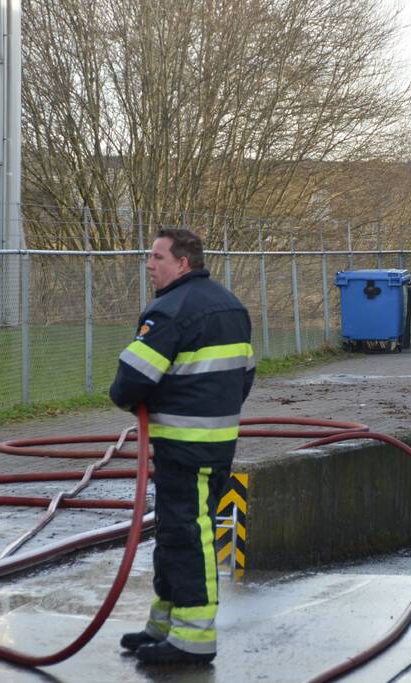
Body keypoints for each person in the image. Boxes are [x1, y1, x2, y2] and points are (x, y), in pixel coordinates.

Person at [110, 228, 255, 666]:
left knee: (190, 537)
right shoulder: (231, 305)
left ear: (183, 263)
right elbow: (244, 375)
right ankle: (165, 624)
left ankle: (193, 640)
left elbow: (129, 382)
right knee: (176, 532)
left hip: (183, 447)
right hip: (215, 442)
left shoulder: (170, 312)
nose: (149, 264)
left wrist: (147, 400)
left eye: (156, 257)